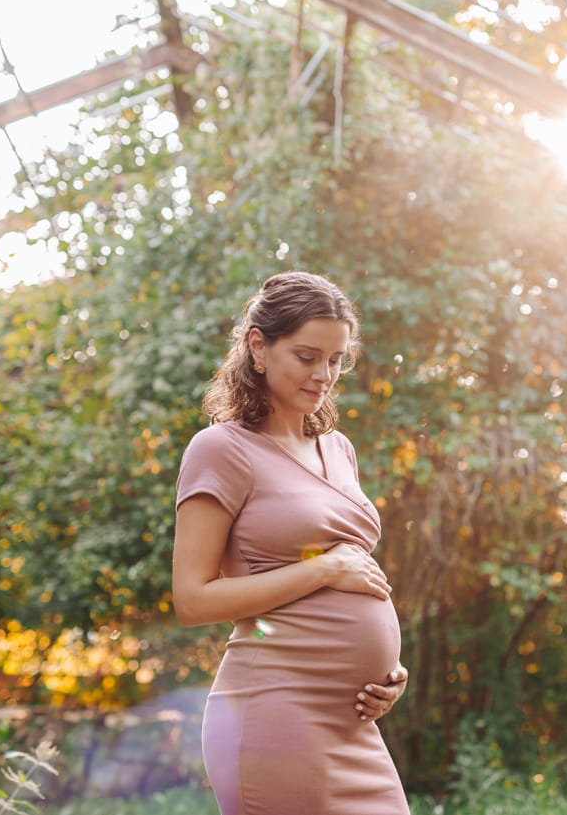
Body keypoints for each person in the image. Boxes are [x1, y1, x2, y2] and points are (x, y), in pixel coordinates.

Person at [172, 271, 409, 814]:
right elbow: (192, 600)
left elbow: (354, 572)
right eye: (307, 356)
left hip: (351, 722)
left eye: (336, 359)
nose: (324, 374)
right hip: (276, 712)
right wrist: (322, 572)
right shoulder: (221, 450)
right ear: (259, 346)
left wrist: (386, 672)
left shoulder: (338, 448)